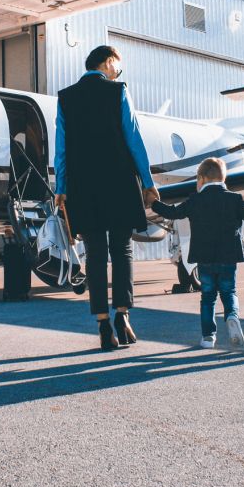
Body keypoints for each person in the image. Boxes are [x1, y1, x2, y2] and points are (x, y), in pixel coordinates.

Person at [54, 45, 160, 351]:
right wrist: (148, 182)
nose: (118, 72)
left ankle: (102, 324)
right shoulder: (118, 91)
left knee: (95, 254)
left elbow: (61, 148)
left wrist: (61, 187)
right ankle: (123, 317)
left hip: (83, 186)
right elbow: (133, 138)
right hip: (119, 182)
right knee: (122, 250)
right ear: (108, 62)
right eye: (117, 67)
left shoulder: (66, 98)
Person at [151, 157, 244, 348]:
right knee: (229, 291)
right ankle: (232, 316)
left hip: (204, 258)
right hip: (228, 257)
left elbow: (172, 212)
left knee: (208, 297)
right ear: (223, 178)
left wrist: (153, 203)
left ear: (201, 179)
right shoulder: (234, 198)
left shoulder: (195, 201)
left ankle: (208, 337)